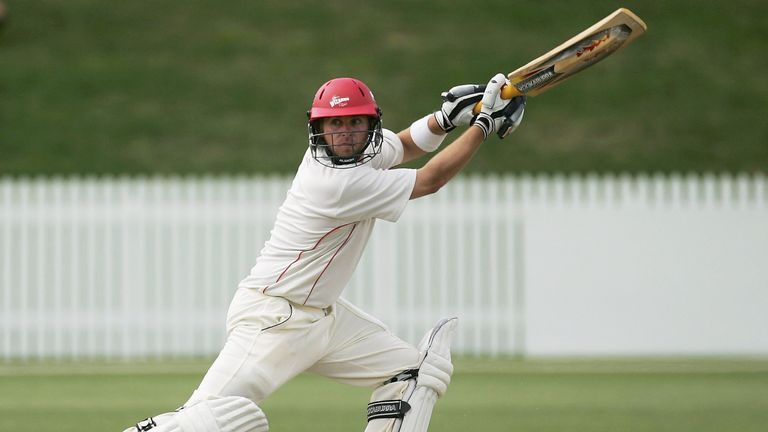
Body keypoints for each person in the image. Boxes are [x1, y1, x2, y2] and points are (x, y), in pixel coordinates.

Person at [123, 73, 526, 432]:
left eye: (356, 122)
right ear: (320, 129)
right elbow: (431, 179)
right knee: (207, 419)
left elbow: (403, 145)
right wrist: (482, 125)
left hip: (328, 320)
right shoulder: (334, 184)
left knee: (416, 373)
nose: (347, 131)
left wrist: (444, 119)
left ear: (370, 124)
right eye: (336, 123)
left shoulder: (362, 152)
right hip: (275, 318)